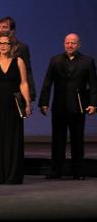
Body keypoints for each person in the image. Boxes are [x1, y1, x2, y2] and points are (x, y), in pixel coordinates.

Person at [38, 33, 97, 180]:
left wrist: (93, 104)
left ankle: (78, 171)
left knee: (77, 140)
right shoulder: (55, 60)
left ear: (79, 44)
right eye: (67, 43)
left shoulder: (87, 61)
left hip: (78, 106)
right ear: (64, 44)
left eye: (73, 43)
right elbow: (47, 83)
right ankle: (56, 170)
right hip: (59, 106)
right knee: (58, 140)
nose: (70, 45)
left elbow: (94, 85)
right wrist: (44, 102)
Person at [0, 31, 31, 184]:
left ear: (12, 46)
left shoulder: (19, 61)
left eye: (6, 43)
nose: (3, 46)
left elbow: (23, 83)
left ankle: (11, 175)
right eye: (0, 43)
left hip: (13, 106)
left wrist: (27, 104)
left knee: (12, 139)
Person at [0, 16, 35, 102]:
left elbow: (27, 72)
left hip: (16, 92)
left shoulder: (22, 48)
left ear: (12, 31)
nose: (1, 29)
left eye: (4, 27)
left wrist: (30, 93)